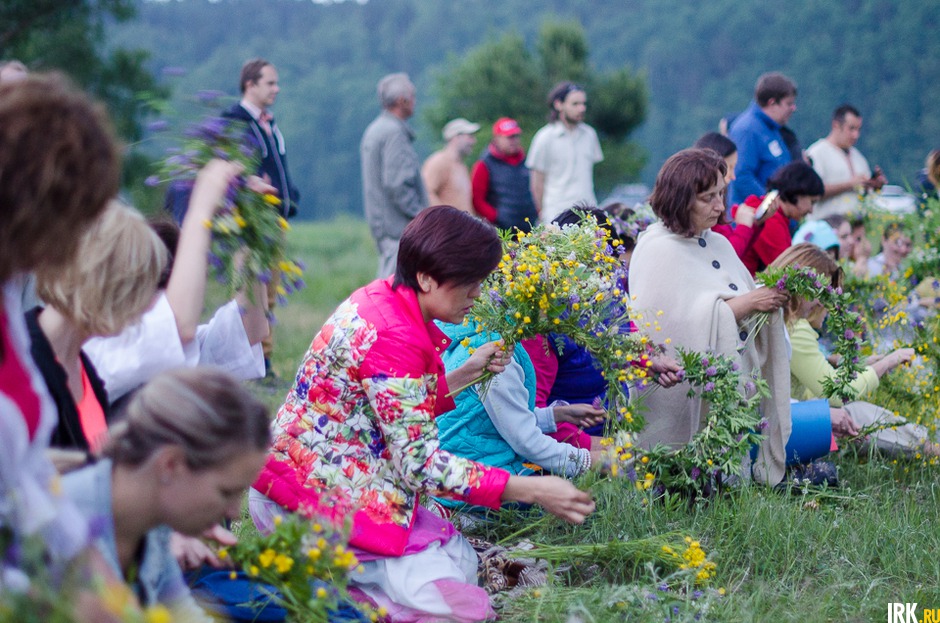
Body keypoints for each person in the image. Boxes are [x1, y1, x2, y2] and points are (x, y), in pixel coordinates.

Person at [250, 206, 594, 622]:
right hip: (305, 498)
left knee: (460, 563)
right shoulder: (395, 337)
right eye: (469, 284)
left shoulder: (380, 299)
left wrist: (467, 372)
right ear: (428, 277)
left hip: (307, 480)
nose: (478, 296)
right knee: (458, 607)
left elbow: (393, 405)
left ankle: (341, 587)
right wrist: (533, 489)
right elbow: (421, 465)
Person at [0, 73, 121, 578]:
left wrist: (90, 571)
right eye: (72, 221)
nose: (73, 247)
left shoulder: (9, 293)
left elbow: (24, 475)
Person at [629, 148, 792, 486]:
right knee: (678, 486)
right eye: (708, 198)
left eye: (721, 194)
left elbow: (732, 296)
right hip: (677, 396)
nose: (720, 206)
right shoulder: (657, 247)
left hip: (727, 389)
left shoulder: (718, 242)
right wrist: (748, 302)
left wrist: (767, 298)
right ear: (679, 199)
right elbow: (679, 325)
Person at [62, 368, 270, 621]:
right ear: (171, 464)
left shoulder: (151, 526)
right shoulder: (60, 525)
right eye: (226, 492)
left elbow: (183, 614)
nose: (234, 512)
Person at [84, 160, 269, 406]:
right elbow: (178, 324)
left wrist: (249, 234)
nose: (168, 299)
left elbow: (251, 330)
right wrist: (201, 210)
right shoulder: (102, 352)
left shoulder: (186, 350)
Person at [770, 244, 937, 457]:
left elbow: (815, 382)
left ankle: (926, 445)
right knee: (855, 413)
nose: (827, 304)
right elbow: (836, 394)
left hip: (780, 422)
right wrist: (885, 364)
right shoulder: (796, 327)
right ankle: (928, 448)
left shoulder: (785, 319)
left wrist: (855, 366)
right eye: (825, 294)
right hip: (781, 430)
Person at [28, 202, 166, 455]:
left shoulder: (83, 367)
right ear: (107, 285)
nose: (147, 306)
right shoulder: (24, 365)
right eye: (141, 288)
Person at [437, 321, 605, 480]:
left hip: (470, 470)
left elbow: (492, 421)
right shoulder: (495, 353)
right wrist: (589, 461)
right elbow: (526, 441)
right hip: (483, 478)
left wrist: (555, 415)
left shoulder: (469, 335)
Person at [222, 59, 298, 378]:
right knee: (250, 292)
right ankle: (246, 362)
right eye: (270, 83)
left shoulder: (269, 123)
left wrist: (290, 195)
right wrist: (248, 184)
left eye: (276, 83)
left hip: (273, 220)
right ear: (250, 85)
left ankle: (263, 362)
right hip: (249, 224)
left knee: (269, 292)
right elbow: (228, 166)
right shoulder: (235, 121)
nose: (276, 89)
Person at [361, 72, 428, 279]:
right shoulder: (394, 133)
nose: (415, 102)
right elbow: (398, 183)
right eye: (413, 96)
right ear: (402, 100)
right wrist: (421, 216)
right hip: (399, 230)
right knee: (395, 293)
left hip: (387, 229)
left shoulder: (376, 129)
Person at [527, 82, 604, 224]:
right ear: (558, 104)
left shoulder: (590, 134)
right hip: (556, 214)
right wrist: (542, 211)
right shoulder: (544, 137)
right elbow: (537, 182)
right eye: (575, 104)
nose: (581, 108)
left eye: (583, 103)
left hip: (588, 213)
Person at [739, 161, 824, 275]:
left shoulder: (777, 217)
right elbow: (786, 271)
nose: (811, 210)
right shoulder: (771, 219)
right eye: (812, 202)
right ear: (798, 192)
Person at [728, 72, 798, 206]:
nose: (793, 108)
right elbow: (742, 176)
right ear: (772, 103)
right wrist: (771, 204)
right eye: (789, 103)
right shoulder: (747, 130)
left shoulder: (772, 128)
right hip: (753, 219)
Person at [806, 104, 886, 219]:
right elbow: (812, 192)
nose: (856, 135)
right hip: (825, 227)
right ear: (836, 125)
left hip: (854, 230)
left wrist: (874, 185)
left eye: (858, 129)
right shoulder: (817, 153)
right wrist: (849, 184)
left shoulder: (859, 158)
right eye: (851, 128)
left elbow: (863, 194)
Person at [694, 132, 762, 259]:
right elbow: (728, 256)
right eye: (729, 167)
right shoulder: (707, 210)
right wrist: (744, 226)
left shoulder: (718, 203)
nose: (733, 175)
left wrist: (756, 223)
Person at [471, 117, 539, 233]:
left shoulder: (526, 161)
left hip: (530, 227)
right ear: (497, 138)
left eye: (516, 136)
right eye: (509, 137)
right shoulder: (484, 164)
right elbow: (477, 199)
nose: (514, 140)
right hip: (503, 231)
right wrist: (497, 217)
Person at [421, 118, 479, 215]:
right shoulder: (438, 161)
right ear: (456, 137)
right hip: (447, 229)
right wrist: (446, 219)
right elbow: (426, 192)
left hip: (461, 228)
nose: (474, 141)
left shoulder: (461, 165)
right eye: (470, 136)